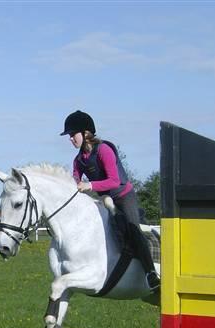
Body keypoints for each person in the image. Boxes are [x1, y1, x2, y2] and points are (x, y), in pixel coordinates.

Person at [61, 110, 160, 291]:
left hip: (123, 196)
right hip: (105, 198)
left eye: (72, 135)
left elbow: (114, 181)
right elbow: (75, 181)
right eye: (69, 136)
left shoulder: (104, 150)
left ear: (85, 133)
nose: (70, 139)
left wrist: (89, 185)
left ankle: (151, 273)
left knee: (132, 228)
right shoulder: (78, 160)